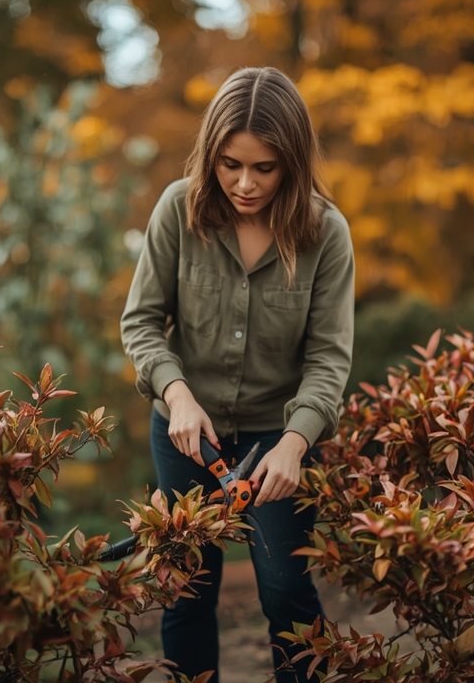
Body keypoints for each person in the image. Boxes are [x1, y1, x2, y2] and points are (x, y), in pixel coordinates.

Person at [119, 66, 354, 683]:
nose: (244, 183)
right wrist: (179, 395)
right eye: (230, 164)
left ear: (294, 164)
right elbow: (141, 323)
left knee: (285, 594)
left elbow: (329, 357)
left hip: (278, 446)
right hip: (184, 435)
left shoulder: (327, 234)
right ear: (211, 156)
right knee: (187, 595)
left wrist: (295, 443)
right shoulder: (178, 208)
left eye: (264, 168)